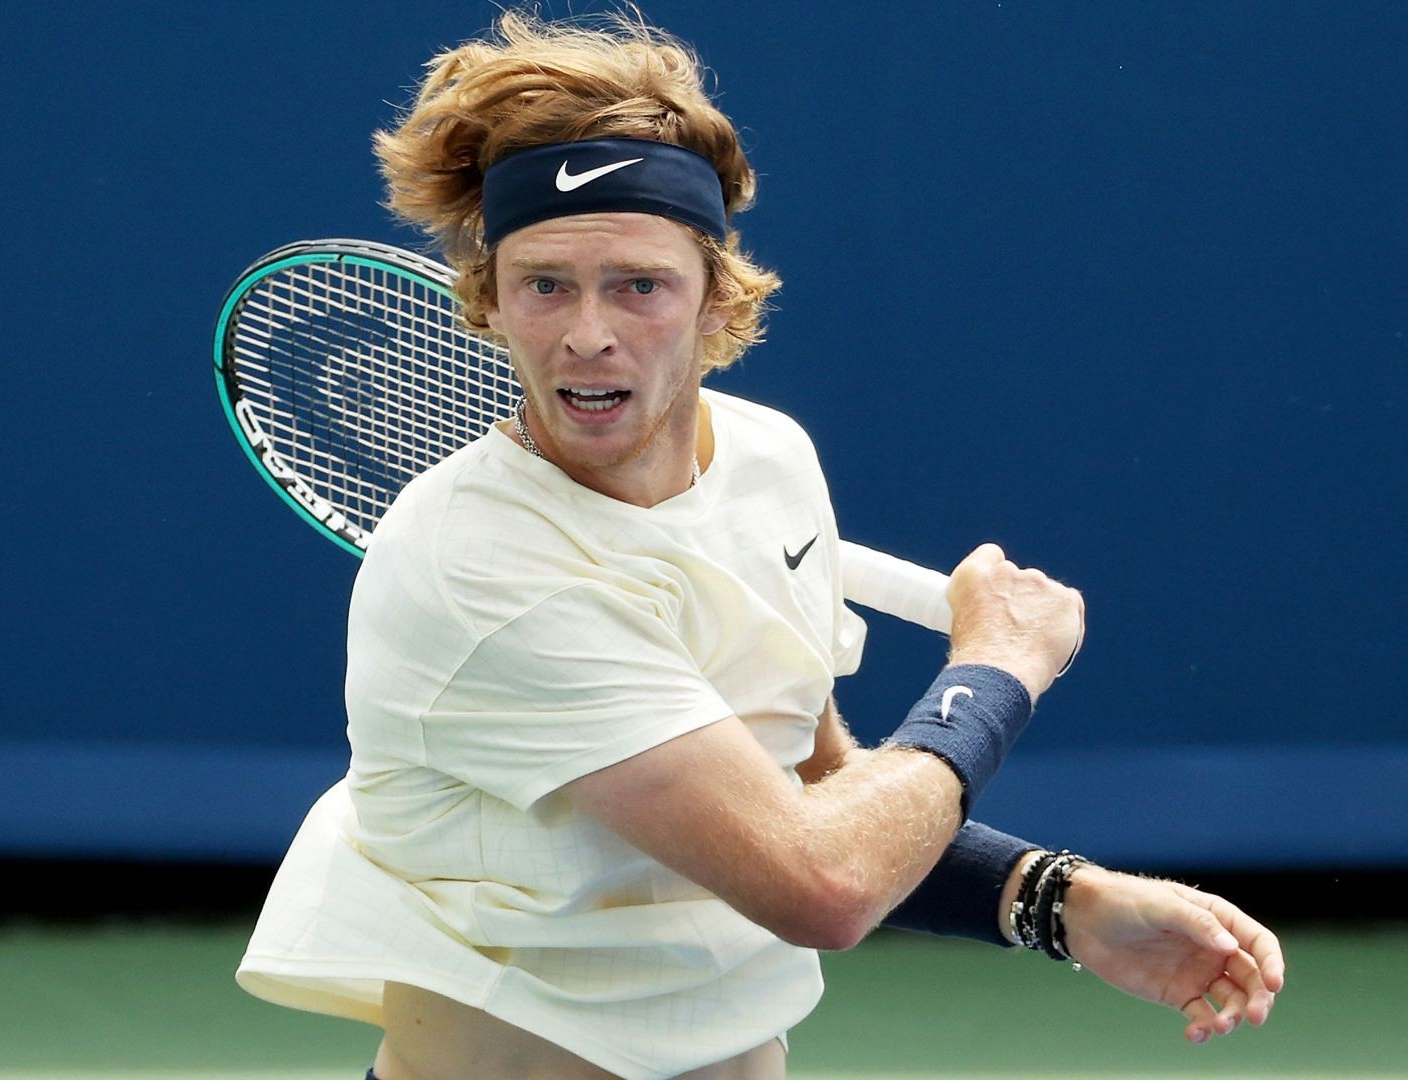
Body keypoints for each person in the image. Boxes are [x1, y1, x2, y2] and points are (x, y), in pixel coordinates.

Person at [236, 12, 1284, 1079]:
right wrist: (997, 667)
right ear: (492, 302)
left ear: (714, 301)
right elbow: (822, 883)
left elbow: (823, 797)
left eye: (640, 285)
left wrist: (1058, 900)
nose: (588, 334)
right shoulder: (480, 565)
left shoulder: (769, 459)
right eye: (545, 283)